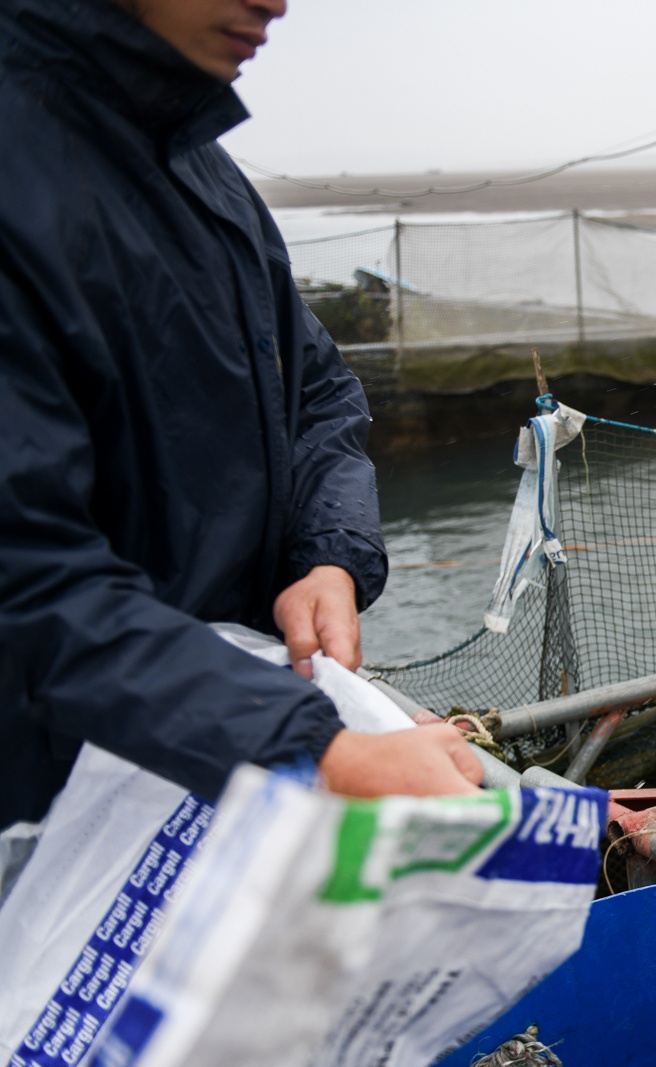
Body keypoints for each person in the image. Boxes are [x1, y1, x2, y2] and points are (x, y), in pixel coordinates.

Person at [0, 0, 483, 831]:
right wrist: (321, 748)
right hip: (46, 813)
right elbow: (27, 573)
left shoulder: (202, 169)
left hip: (214, 771)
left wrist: (327, 556)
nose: (277, 3)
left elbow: (320, 393)